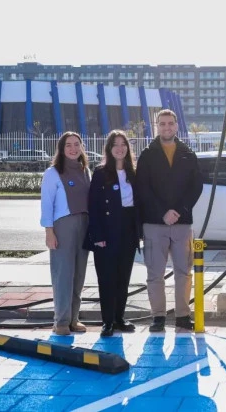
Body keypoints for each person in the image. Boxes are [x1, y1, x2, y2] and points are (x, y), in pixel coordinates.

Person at [136, 109, 203, 332]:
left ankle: (183, 316)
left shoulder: (188, 154)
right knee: (155, 274)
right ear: (157, 126)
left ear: (176, 125)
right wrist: (163, 212)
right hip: (154, 223)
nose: (167, 127)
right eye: (162, 124)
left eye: (170, 123)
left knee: (184, 272)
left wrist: (179, 210)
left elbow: (196, 187)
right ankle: (158, 317)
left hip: (182, 223)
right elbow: (143, 188)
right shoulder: (147, 155)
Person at [85, 130, 141, 337]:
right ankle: (107, 321)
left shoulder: (133, 172)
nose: (120, 148)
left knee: (123, 277)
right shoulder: (101, 173)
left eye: (123, 144)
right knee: (107, 278)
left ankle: (119, 318)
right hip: (107, 231)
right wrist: (98, 236)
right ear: (109, 149)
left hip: (128, 230)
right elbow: (93, 206)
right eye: (115, 144)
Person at [40, 132, 91, 336]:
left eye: (76, 144)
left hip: (84, 225)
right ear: (61, 149)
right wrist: (49, 232)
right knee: (63, 274)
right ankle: (61, 321)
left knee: (79, 274)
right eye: (68, 145)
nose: (73, 149)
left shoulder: (85, 171)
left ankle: (73, 319)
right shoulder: (52, 173)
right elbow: (47, 204)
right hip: (63, 226)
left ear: (81, 147)